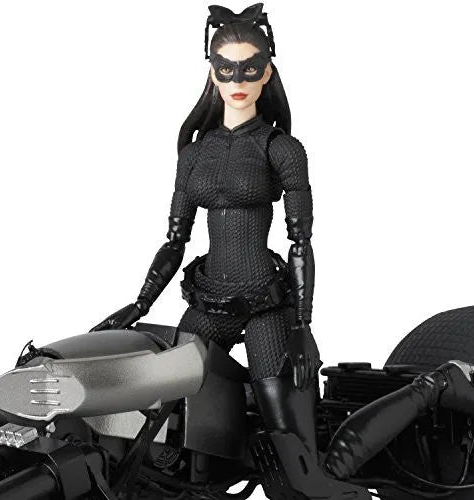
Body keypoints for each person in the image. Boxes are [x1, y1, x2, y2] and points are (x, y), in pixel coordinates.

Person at [91, 4, 325, 498]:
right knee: (164, 419)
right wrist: (139, 304)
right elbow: (174, 241)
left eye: (250, 68)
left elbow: (300, 242)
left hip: (265, 307)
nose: (238, 80)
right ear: (212, 71)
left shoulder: (282, 149)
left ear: (268, 71)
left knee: (290, 441)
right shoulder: (194, 154)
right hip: (207, 304)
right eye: (226, 68)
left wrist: (303, 327)